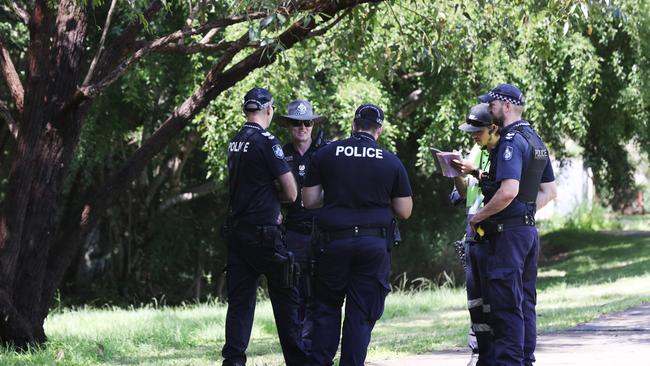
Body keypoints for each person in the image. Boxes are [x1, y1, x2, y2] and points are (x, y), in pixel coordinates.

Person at [302, 103, 413, 366]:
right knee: (360, 314)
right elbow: (404, 210)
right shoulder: (391, 161)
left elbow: (309, 200)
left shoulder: (326, 154)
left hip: (333, 244)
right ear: (380, 130)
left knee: (327, 308)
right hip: (373, 245)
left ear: (354, 125)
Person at [469, 84, 557, 366]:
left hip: (508, 236)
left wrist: (479, 216)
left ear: (506, 106)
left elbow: (508, 190)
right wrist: (525, 213)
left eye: (492, 104)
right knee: (525, 303)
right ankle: (524, 360)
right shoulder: (535, 139)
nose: (489, 109)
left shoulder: (510, 141)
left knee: (506, 305)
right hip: (528, 232)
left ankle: (510, 362)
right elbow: (549, 192)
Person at [221, 87, 308, 366]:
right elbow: (292, 193)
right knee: (286, 299)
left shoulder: (235, 141)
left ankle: (233, 361)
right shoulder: (267, 142)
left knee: (240, 305)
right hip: (265, 236)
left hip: (237, 234)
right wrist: (277, 198)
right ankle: (297, 361)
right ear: (269, 110)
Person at [449, 103, 499, 366]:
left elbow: (496, 185)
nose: (474, 136)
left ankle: (492, 356)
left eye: (477, 131)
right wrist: (455, 172)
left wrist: (473, 172)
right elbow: (460, 193)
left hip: (490, 235)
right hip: (472, 235)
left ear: (492, 127)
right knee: (475, 303)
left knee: (492, 301)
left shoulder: (499, 151)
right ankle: (478, 353)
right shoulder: (476, 150)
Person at [277, 99, 329, 351]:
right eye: (297, 123)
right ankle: (299, 352)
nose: (302, 127)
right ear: (289, 125)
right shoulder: (279, 154)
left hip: (322, 233)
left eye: (307, 122)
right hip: (294, 234)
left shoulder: (326, 152)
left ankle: (318, 351)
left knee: (321, 295)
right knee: (293, 292)